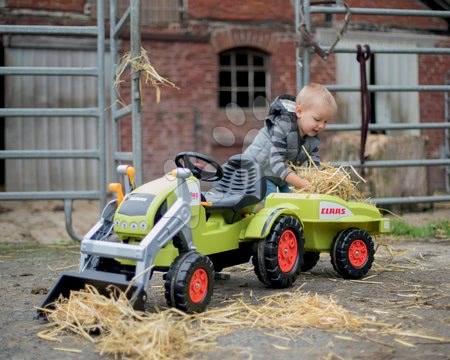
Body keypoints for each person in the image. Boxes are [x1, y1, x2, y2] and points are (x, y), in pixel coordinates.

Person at [244, 83, 337, 197]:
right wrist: (301, 183)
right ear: (299, 112)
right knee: (274, 202)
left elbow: (313, 164)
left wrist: (320, 181)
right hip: (258, 174)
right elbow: (277, 163)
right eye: (317, 119)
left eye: (325, 121)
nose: (321, 126)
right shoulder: (283, 127)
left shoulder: (311, 136)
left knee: (297, 198)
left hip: (281, 176)